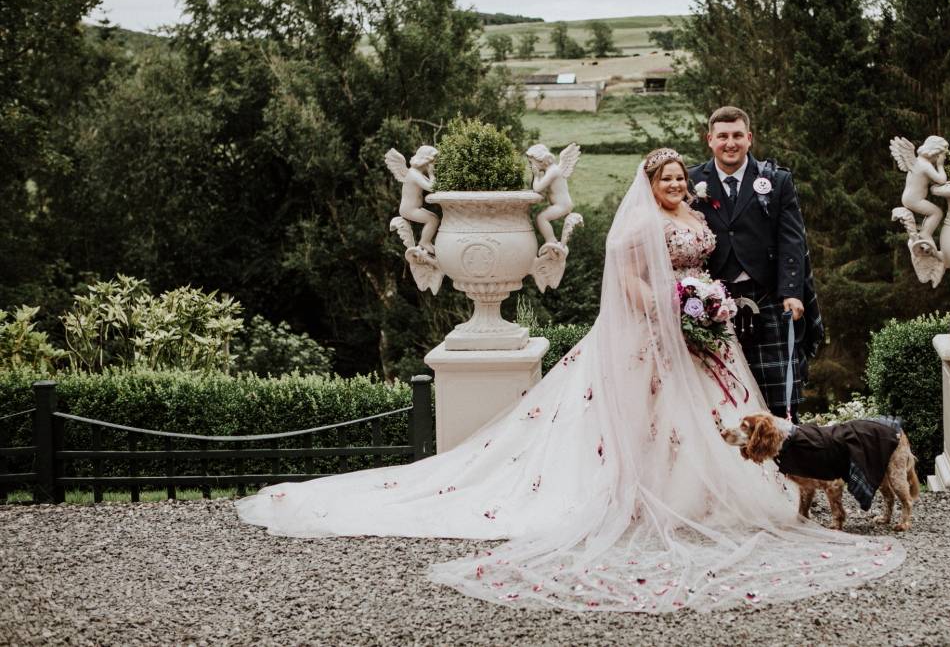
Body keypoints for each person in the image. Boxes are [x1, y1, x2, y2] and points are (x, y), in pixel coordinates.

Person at [236, 151, 902, 612]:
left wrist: (710, 304)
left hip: (706, 334)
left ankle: (714, 491)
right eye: (666, 178)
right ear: (650, 183)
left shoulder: (696, 217)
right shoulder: (638, 224)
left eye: (680, 177)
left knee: (711, 418)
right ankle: (652, 493)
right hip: (658, 331)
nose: (676, 185)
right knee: (655, 417)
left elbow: (704, 267)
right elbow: (632, 278)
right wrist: (670, 311)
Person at [688, 106, 823, 420]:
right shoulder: (692, 180)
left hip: (768, 297)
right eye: (723, 136)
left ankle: (785, 451)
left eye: (737, 135)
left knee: (779, 401)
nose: (730, 143)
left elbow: (792, 240)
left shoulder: (776, 179)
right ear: (710, 140)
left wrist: (792, 292)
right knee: (721, 398)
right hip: (713, 303)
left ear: (749, 138)